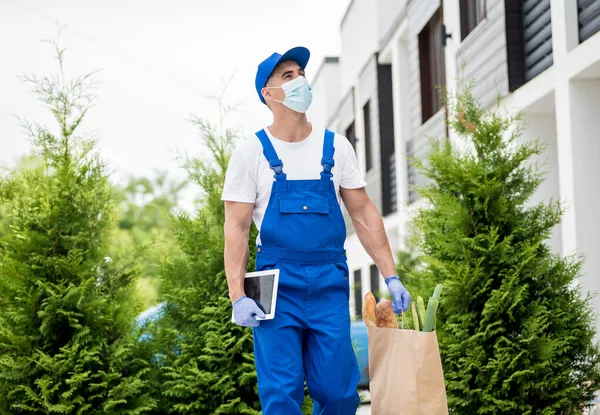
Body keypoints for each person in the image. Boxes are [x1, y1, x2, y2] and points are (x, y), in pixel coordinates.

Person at [221, 46, 412, 415]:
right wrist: (236, 295)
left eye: (301, 73)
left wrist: (391, 275)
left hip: (328, 282)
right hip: (275, 287)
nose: (299, 81)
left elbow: (364, 214)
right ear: (269, 94)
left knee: (339, 392)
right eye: (287, 76)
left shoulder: (335, 147)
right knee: (281, 395)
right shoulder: (251, 153)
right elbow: (237, 227)